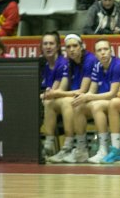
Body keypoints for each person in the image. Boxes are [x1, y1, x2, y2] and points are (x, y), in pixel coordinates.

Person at [71, 39, 120, 164]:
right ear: (95, 54)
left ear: (111, 51)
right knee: (78, 106)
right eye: (99, 50)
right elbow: (92, 90)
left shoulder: (118, 65)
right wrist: (83, 96)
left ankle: (104, 149)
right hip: (105, 103)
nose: (103, 53)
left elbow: (113, 94)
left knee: (96, 105)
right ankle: (81, 148)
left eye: (105, 49)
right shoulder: (97, 66)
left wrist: (89, 97)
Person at [42, 34, 97, 163]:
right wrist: (52, 93)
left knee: (67, 101)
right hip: (76, 98)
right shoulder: (69, 63)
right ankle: (49, 143)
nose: (72, 49)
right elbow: (63, 87)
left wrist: (57, 94)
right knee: (49, 102)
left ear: (82, 47)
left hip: (90, 98)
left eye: (75, 46)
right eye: (68, 47)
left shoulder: (90, 60)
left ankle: (67, 146)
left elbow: (82, 90)